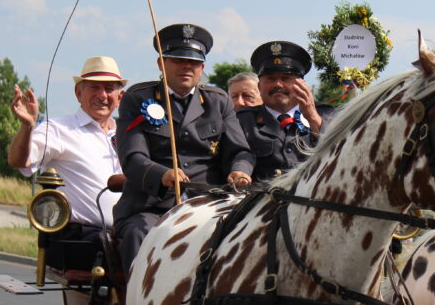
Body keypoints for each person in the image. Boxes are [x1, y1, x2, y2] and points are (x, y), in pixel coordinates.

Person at [113, 23, 254, 271]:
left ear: (202, 68)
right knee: (139, 233)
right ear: (161, 64)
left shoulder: (218, 101)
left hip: (209, 204)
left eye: (194, 62)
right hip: (153, 207)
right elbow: (133, 157)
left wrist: (240, 170)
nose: (186, 66)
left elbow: (240, 151)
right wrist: (162, 174)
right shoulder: (138, 98)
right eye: (178, 59)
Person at [8, 56, 127, 242]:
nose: (102, 95)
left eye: (109, 89)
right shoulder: (58, 129)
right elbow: (19, 161)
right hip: (81, 238)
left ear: (120, 97)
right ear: (78, 93)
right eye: (94, 87)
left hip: (125, 234)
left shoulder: (128, 134)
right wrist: (27, 126)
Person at [237, 40, 334, 181]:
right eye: (271, 79)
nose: (278, 84)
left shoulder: (326, 115)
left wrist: (312, 116)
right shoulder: (243, 121)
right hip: (260, 199)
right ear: (259, 86)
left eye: (285, 78)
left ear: (302, 85)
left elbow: (339, 152)